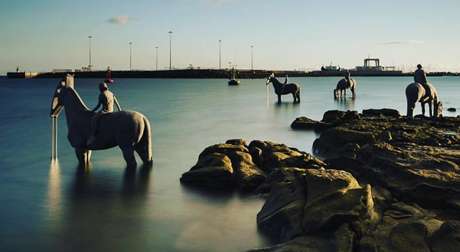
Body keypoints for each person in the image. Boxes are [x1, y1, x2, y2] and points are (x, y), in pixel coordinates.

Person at [87, 82, 121, 146]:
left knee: (94, 119)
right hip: (111, 111)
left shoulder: (102, 94)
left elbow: (98, 106)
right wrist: (120, 111)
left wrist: (91, 111)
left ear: (101, 88)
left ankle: (93, 136)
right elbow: (117, 103)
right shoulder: (111, 93)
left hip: (105, 111)